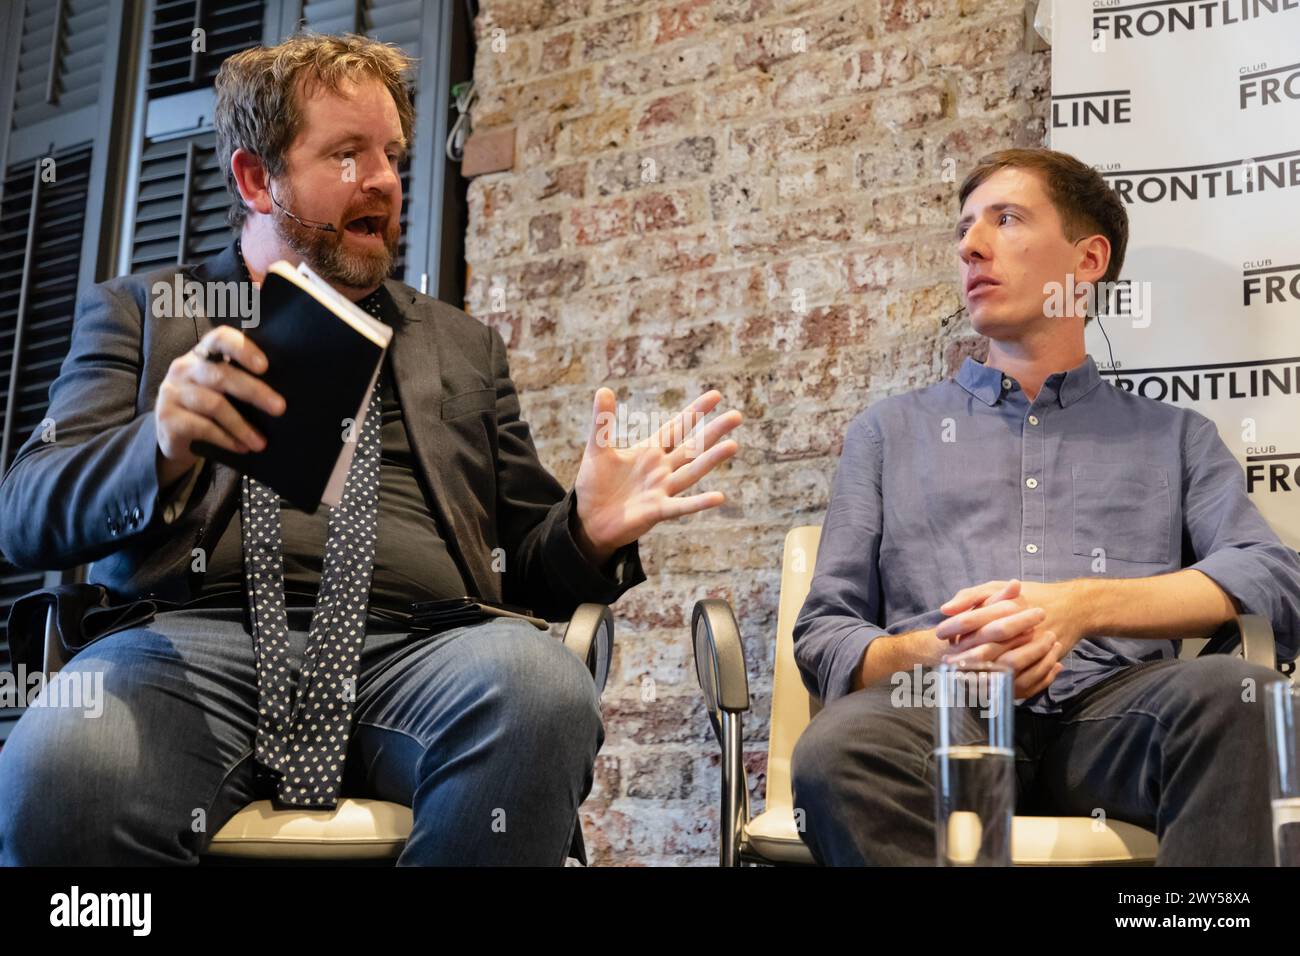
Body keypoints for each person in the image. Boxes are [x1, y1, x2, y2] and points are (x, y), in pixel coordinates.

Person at [0, 33, 741, 866]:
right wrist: (160, 444)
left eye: (390, 152)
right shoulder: (145, 315)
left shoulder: (462, 348)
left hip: (424, 653)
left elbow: (527, 571)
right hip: (189, 647)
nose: (385, 180)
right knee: (63, 764)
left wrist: (589, 531)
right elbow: (27, 513)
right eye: (347, 154)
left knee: (538, 687)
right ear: (255, 179)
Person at [790, 147, 1300, 866]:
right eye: (966, 227)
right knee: (841, 748)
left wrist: (1081, 607)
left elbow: (1273, 578)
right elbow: (824, 630)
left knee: (1243, 701)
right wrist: (939, 650)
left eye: (1006, 219)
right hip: (935, 715)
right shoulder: (888, 432)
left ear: (1088, 261)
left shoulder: (1175, 436)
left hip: (1114, 718)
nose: (970, 244)